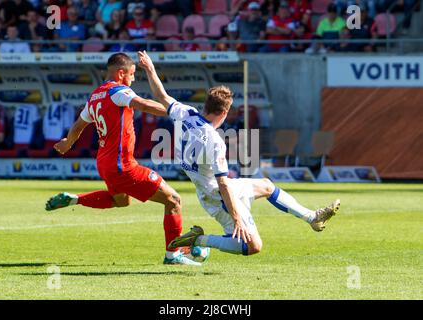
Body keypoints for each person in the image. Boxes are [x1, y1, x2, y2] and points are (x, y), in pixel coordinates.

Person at [138, 50, 340, 257]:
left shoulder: (187, 114)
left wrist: (150, 68)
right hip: (216, 196)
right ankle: (197, 239)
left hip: (218, 188)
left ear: (206, 105)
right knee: (253, 246)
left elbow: (161, 95)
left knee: (267, 186)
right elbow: (223, 184)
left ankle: (312, 217)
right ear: (224, 112)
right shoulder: (215, 142)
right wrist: (236, 218)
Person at [44, 53, 199, 266]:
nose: (133, 79)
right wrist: (179, 113)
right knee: (173, 200)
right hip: (122, 165)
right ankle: (173, 255)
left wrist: (67, 143)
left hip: (105, 164)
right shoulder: (118, 90)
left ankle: (75, 199)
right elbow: (143, 104)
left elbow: (79, 125)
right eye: (132, 74)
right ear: (121, 73)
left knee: (121, 201)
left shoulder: (95, 96)